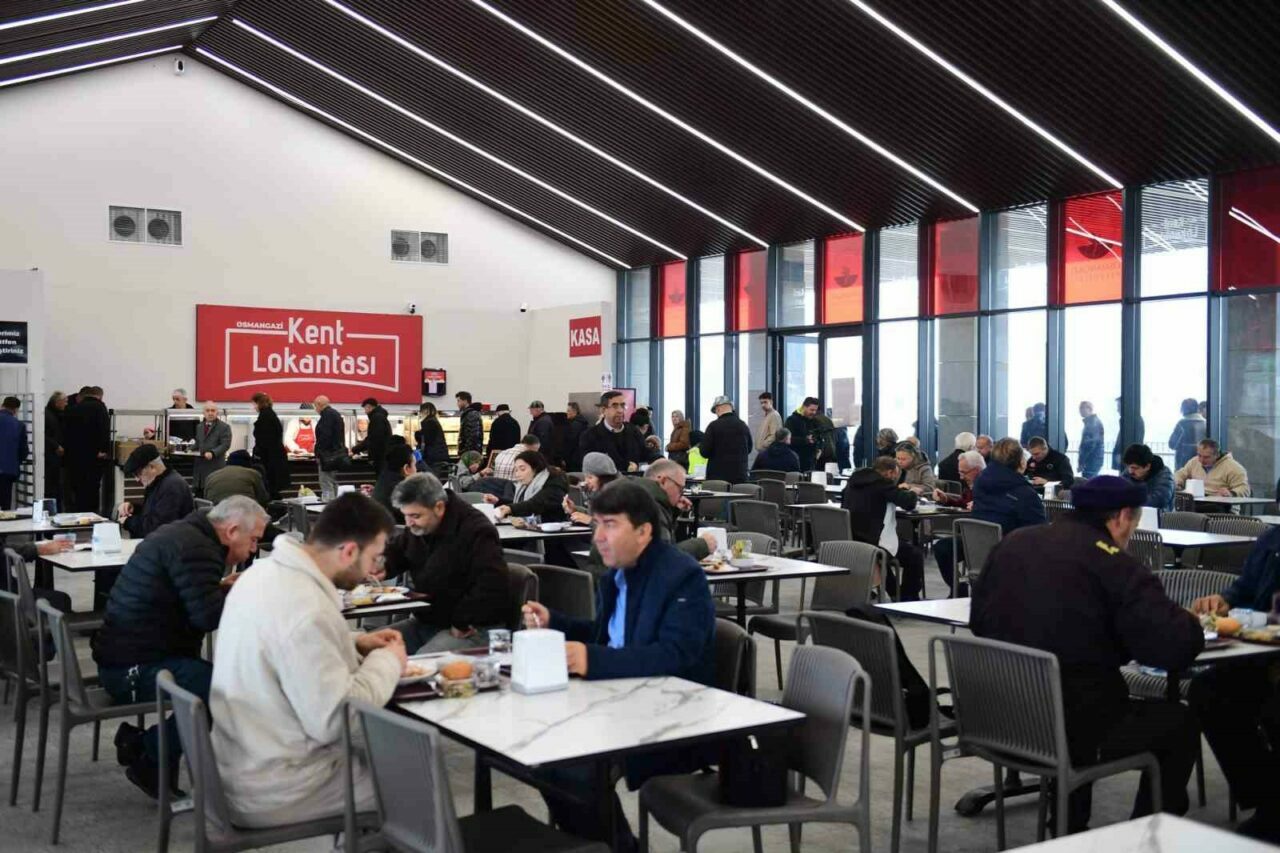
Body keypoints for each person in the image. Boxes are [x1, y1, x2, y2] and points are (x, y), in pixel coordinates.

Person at [972, 476, 1202, 833]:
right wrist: (1191, 623)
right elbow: (1172, 648)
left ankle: (1067, 825)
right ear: (1123, 516)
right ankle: (1144, 837)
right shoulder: (1116, 565)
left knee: (1078, 690)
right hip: (1071, 730)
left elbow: (978, 622)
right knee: (1178, 722)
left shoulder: (1014, 543)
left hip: (997, 719)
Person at [520, 480, 716, 850]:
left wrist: (589, 658)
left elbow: (674, 656)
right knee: (542, 752)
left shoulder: (681, 576)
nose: (598, 537)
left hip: (672, 715)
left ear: (643, 532)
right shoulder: (618, 574)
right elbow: (605, 636)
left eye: (610, 525)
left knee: (571, 765)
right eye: (596, 524)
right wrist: (555, 623)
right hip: (618, 698)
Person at [209, 494, 407, 827]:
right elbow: (337, 720)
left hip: (238, 763)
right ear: (348, 551)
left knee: (390, 761)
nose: (373, 571)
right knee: (418, 782)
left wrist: (355, 641)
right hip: (277, 786)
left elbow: (282, 645)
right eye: (373, 558)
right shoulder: (308, 609)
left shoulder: (262, 575)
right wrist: (388, 661)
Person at [94, 496, 267, 798]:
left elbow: (184, 596)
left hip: (128, 652)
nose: (253, 549)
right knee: (221, 691)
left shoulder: (189, 535)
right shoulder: (197, 548)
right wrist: (245, 593)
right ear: (232, 531)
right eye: (253, 540)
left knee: (218, 682)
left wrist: (220, 587)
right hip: (131, 669)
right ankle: (148, 753)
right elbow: (207, 617)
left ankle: (143, 747)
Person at [1189, 528, 1280, 841]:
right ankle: (1268, 799)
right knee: (1207, 691)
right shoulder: (1272, 539)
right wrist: (1223, 601)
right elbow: (1244, 589)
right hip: (1260, 653)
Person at [381, 473, 511, 653]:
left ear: (439, 507)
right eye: (405, 516)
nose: (409, 523)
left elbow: (491, 584)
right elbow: (399, 552)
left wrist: (462, 621)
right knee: (366, 648)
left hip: (471, 627)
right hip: (428, 621)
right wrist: (381, 566)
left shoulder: (476, 530)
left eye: (415, 516)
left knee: (420, 662)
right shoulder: (421, 526)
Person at [842, 456, 924, 601]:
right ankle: (908, 597)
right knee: (914, 555)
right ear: (890, 473)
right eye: (895, 476)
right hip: (873, 540)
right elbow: (908, 503)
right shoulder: (881, 483)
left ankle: (895, 593)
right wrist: (913, 492)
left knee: (884, 557)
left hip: (851, 538)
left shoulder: (853, 481)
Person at [932, 450, 985, 593]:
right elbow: (965, 502)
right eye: (960, 472)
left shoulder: (987, 485)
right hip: (971, 533)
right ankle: (958, 588)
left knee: (943, 549)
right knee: (941, 548)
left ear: (976, 470)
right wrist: (947, 500)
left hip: (983, 536)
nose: (961, 477)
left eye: (964, 472)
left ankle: (959, 590)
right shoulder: (974, 482)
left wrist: (980, 505)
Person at [117, 444, 195, 540]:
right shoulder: (158, 482)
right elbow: (154, 514)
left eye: (138, 473)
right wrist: (134, 509)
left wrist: (129, 522)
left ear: (152, 467)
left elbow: (157, 528)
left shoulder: (172, 486)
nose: (137, 479)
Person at [972, 437, 1046, 533]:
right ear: (1021, 461)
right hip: (1013, 541)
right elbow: (1041, 531)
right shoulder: (1025, 493)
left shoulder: (979, 483)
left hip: (980, 540)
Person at [64, 385, 111, 513]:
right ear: (99, 396)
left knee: (77, 489)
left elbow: (67, 433)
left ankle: (77, 513)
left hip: (75, 457)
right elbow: (104, 431)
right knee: (92, 490)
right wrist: (103, 450)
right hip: (94, 458)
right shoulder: (100, 408)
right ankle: (91, 515)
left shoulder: (73, 409)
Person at [486, 450, 569, 522]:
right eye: (516, 470)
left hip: (554, 532)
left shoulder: (554, 486)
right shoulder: (525, 486)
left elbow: (535, 504)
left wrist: (510, 508)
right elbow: (520, 504)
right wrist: (498, 501)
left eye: (522, 469)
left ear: (535, 468)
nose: (517, 474)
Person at [578, 390, 646, 473]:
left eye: (622, 405)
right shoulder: (589, 436)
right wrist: (626, 467)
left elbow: (646, 453)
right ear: (603, 410)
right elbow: (590, 466)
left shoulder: (633, 431)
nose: (620, 410)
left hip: (634, 480)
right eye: (615, 406)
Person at [699, 396, 753, 485]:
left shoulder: (713, 426)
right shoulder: (743, 425)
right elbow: (749, 449)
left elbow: (704, 452)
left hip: (717, 479)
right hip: (740, 477)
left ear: (718, 409)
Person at [249, 392, 291, 500]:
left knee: (270, 488)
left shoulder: (265, 417)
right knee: (274, 489)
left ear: (258, 403)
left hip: (269, 460)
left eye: (254, 404)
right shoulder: (271, 414)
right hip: (275, 457)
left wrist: (257, 454)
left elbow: (264, 440)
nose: (254, 407)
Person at [1174, 438, 1250, 497]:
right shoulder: (1194, 461)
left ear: (1217, 455)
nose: (1201, 460)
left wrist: (1231, 493)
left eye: (1206, 457)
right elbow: (1181, 474)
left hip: (1222, 505)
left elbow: (1245, 489)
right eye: (1199, 455)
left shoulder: (1233, 467)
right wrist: (1177, 483)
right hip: (1197, 502)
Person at [564, 452, 620, 524]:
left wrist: (591, 521)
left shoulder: (620, 496)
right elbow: (596, 515)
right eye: (585, 477)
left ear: (604, 478)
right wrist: (575, 510)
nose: (586, 481)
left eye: (590, 477)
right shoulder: (599, 493)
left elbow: (616, 525)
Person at [203, 450, 270, 508]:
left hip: (216, 513)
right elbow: (263, 499)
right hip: (244, 513)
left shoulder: (211, 476)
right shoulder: (253, 474)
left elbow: (206, 500)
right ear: (248, 463)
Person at [191, 401, 231, 495]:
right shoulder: (199, 426)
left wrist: (213, 453)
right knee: (199, 495)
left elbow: (225, 444)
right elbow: (198, 443)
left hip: (215, 467)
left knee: (213, 494)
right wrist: (188, 449)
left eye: (213, 410)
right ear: (203, 413)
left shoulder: (224, 427)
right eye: (207, 410)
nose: (210, 413)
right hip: (200, 469)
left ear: (217, 412)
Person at [1120, 444, 1174, 511]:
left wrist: (1129, 499)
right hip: (1133, 514)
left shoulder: (1164, 475)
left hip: (1159, 516)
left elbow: (1158, 501)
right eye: (1128, 467)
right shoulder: (1129, 472)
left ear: (1147, 466)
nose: (1130, 471)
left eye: (1135, 468)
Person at [371, 443, 417, 520]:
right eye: (414, 465)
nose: (416, 469)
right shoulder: (402, 490)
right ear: (406, 469)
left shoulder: (385, 479)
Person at [313, 395, 346, 500]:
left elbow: (325, 436)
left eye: (315, 406)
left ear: (319, 405)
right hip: (335, 454)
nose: (315, 409)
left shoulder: (327, 416)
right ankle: (336, 503)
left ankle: (328, 503)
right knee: (332, 480)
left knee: (325, 481)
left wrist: (318, 453)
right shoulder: (335, 414)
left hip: (327, 455)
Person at [351, 397, 391, 474]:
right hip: (382, 456)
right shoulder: (380, 417)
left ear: (369, 407)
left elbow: (373, 438)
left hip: (379, 457)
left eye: (365, 408)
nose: (365, 412)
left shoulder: (377, 418)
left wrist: (355, 450)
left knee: (381, 476)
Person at [0, 396, 27, 511]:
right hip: (8, 469)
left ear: (2, 405)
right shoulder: (19, 425)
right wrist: (16, 461)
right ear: (16, 410)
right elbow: (23, 451)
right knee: (5, 505)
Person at [1168, 398, 1207, 470]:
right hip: (1202, 464)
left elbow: (1172, 444)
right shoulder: (1206, 423)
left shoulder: (1182, 424)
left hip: (1184, 465)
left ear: (1183, 409)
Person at [43, 391, 67, 508]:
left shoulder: (53, 415)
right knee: (51, 486)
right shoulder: (48, 416)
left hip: (53, 456)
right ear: (57, 402)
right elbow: (43, 435)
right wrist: (56, 445)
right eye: (64, 401)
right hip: (50, 456)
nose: (66, 404)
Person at [784, 397, 822, 472]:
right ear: (804, 407)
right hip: (796, 461)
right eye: (811, 410)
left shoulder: (815, 421)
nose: (814, 412)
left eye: (815, 410)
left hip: (811, 462)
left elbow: (820, 437)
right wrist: (805, 440)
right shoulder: (791, 420)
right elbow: (787, 440)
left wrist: (820, 448)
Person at [1111, 396, 1145, 472]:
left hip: (1128, 460)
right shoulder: (1128, 419)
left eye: (1119, 406)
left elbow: (1137, 441)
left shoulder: (1132, 420)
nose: (1117, 410)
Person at [1078, 401, 1105, 478]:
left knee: (1089, 481)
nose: (1080, 410)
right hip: (1094, 460)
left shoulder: (1092, 423)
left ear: (1089, 409)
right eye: (1080, 408)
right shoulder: (1092, 422)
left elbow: (1089, 445)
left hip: (1091, 460)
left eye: (1082, 408)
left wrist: (1082, 462)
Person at [564, 401, 591, 471]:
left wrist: (565, 457)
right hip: (580, 457)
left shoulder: (575, 425)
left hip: (574, 458)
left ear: (575, 412)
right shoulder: (582, 423)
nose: (567, 413)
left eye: (568, 411)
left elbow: (571, 443)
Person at [455, 391, 484, 455]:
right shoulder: (468, 414)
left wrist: (465, 452)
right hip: (470, 453)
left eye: (458, 401)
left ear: (465, 401)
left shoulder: (471, 415)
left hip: (470, 454)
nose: (457, 403)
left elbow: (473, 437)